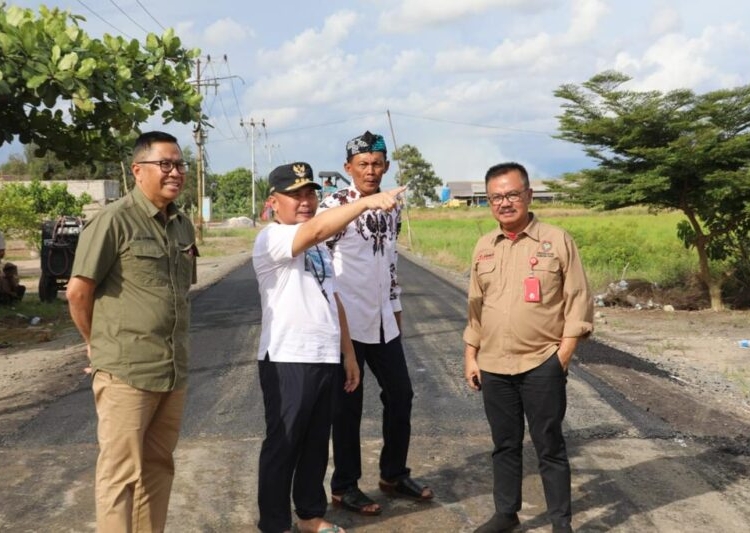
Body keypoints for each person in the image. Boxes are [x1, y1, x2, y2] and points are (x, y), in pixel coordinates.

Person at [253, 161, 404, 533]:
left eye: (309, 194)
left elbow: (333, 297)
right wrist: (367, 203)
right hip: (288, 357)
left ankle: (309, 515)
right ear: (274, 202)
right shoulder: (273, 238)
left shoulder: (318, 248)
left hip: (324, 356)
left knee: (316, 444)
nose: (305, 201)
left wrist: (348, 354)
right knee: (284, 444)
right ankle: (274, 524)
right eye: (295, 195)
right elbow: (319, 225)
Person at [66, 131, 197, 532]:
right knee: (120, 475)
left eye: (179, 164)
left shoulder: (181, 225)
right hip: (126, 373)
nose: (175, 172)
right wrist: (95, 344)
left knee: (158, 467)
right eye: (165, 164)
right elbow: (78, 292)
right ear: (138, 170)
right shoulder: (113, 220)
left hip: (171, 370)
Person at [463, 162, 593, 533]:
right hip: (493, 365)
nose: (504, 203)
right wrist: (470, 354)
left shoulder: (556, 240)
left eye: (511, 194)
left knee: (549, 446)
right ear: (489, 202)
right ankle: (506, 514)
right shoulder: (484, 246)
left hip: (541, 363)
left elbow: (579, 300)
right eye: (496, 197)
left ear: (528, 195)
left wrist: (561, 357)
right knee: (504, 444)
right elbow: (476, 305)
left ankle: (560, 523)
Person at [319, 131, 433, 516]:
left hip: (384, 321)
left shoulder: (393, 206)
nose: (370, 170)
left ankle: (393, 474)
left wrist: (397, 315)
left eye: (377, 163)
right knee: (346, 407)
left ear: (386, 166)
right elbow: (321, 264)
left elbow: (391, 264)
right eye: (363, 164)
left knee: (401, 396)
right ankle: (345, 486)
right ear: (348, 167)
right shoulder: (334, 205)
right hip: (346, 324)